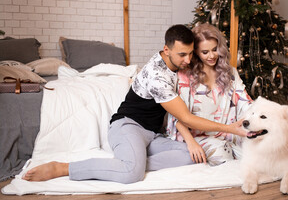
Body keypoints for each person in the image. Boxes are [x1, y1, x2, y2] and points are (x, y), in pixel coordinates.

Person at [23, 24, 249, 184]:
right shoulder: (158, 77)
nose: (188, 61)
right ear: (166, 49)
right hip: (128, 126)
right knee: (131, 174)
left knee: (193, 156)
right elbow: (187, 118)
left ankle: (131, 160)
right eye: (182, 55)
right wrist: (230, 128)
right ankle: (63, 168)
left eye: (191, 54)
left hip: (153, 135)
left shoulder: (177, 65)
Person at [166, 23, 252, 166]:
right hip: (197, 136)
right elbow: (178, 117)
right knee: (222, 154)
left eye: (214, 50)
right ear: (196, 53)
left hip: (229, 133)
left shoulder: (230, 73)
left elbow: (245, 102)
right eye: (205, 52)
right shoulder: (185, 76)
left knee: (257, 151)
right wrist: (191, 143)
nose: (212, 56)